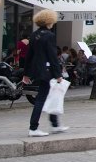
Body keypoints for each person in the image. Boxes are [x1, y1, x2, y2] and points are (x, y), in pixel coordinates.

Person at [22, 9, 69, 137]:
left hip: (37, 70)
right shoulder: (49, 35)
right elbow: (52, 56)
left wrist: (26, 74)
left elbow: (29, 56)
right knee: (41, 98)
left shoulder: (34, 35)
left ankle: (55, 125)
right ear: (50, 21)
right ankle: (33, 128)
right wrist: (58, 74)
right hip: (47, 71)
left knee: (51, 95)